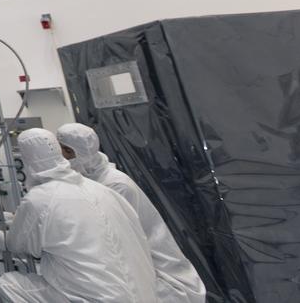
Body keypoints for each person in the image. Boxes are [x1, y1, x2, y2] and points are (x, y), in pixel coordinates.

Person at [0, 128, 157, 303]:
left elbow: (15, 244)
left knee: (7, 284)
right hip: (142, 294)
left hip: (96, 297)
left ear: (27, 161)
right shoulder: (101, 189)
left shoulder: (38, 198)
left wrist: (1, 232)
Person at [57, 123, 207, 303]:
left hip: (159, 274)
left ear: (82, 152)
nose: (62, 157)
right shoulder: (90, 180)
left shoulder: (115, 185)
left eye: (66, 151)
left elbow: (121, 242)